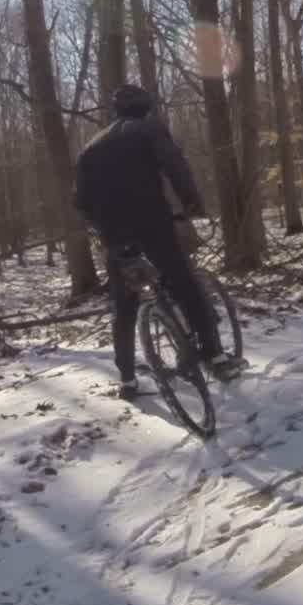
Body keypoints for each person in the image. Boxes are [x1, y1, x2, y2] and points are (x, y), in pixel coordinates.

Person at [74, 83, 238, 399]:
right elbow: (176, 168)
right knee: (186, 286)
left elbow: (80, 203)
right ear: (146, 108)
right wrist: (192, 205)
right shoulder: (150, 131)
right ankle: (215, 357)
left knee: (123, 307)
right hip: (154, 225)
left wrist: (105, 231)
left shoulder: (90, 149)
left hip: (116, 236)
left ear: (115, 111)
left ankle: (127, 381)